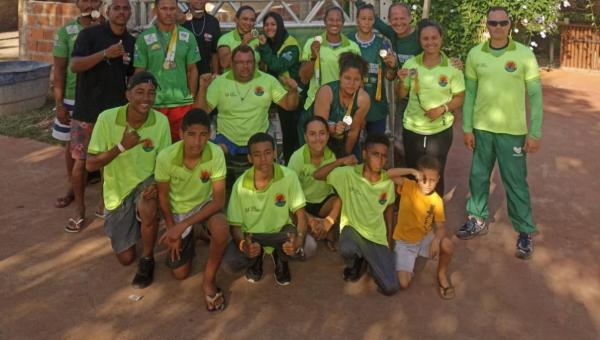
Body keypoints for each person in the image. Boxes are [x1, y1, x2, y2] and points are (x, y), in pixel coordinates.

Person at [456, 7, 544, 260]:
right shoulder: (475, 54)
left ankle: (525, 231)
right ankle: (477, 219)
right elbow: (470, 93)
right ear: (487, 25)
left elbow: (536, 96)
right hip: (482, 130)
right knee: (478, 177)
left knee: (515, 182)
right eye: (492, 23)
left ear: (510, 25)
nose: (497, 27)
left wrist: (535, 132)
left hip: (513, 132)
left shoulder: (524, 54)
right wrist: (467, 127)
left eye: (502, 23)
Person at [86, 72, 172, 288]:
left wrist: (155, 185)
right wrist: (122, 146)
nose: (146, 98)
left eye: (151, 93)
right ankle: (133, 224)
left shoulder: (161, 122)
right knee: (125, 258)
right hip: (118, 190)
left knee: (148, 206)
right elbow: (90, 164)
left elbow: (165, 164)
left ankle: (148, 258)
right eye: (140, 92)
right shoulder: (107, 118)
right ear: (127, 94)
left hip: (146, 182)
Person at [65, 0, 136, 233]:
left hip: (113, 114)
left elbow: (131, 76)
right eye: (116, 8)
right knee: (81, 162)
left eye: (126, 8)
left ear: (130, 13)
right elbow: (75, 65)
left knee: (108, 160)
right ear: (108, 11)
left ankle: (104, 203)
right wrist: (105, 53)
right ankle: (79, 210)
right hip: (87, 110)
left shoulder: (131, 42)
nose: (121, 12)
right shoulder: (90, 35)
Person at [194, 45, 299, 189]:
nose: (245, 66)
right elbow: (200, 112)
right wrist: (202, 88)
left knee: (266, 159)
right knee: (207, 154)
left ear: (255, 63)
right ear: (232, 63)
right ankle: (210, 199)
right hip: (227, 140)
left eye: (249, 62)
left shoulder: (267, 80)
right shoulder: (220, 82)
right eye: (240, 62)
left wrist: (293, 91)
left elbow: (289, 105)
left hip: (257, 140)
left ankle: (268, 194)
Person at [155, 109, 229, 312]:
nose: (198, 142)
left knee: (222, 229)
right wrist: (172, 228)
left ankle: (208, 281)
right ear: (181, 134)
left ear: (210, 134)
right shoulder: (165, 157)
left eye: (203, 134)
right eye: (192, 134)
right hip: (178, 210)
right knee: (180, 273)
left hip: (204, 207)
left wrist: (184, 226)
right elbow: (163, 196)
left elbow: (218, 200)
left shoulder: (215, 154)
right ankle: (195, 233)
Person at [222, 133, 317, 285]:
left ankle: (281, 256)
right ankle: (255, 256)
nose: (263, 159)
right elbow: (235, 227)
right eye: (257, 155)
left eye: (267, 153)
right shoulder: (239, 185)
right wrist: (244, 245)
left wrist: (298, 240)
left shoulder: (289, 176)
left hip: (282, 233)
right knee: (229, 263)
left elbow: (300, 215)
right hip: (252, 235)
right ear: (249, 158)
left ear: (274, 153)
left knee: (309, 247)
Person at [314, 134, 399, 296]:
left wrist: (389, 239)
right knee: (347, 248)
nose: (380, 160)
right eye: (375, 154)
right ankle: (357, 261)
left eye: (383, 155)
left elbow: (389, 210)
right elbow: (318, 175)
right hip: (353, 230)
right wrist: (340, 161)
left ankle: (368, 259)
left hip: (376, 236)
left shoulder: (387, 182)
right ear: (365, 154)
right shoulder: (348, 174)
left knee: (390, 288)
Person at [396, 20, 465, 196]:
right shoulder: (411, 65)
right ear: (420, 41)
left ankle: (434, 214)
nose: (430, 42)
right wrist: (402, 81)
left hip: (440, 130)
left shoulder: (452, 67)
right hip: (413, 128)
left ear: (441, 39)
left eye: (434, 38)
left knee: (436, 172)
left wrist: (441, 109)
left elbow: (460, 98)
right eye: (425, 38)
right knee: (413, 171)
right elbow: (401, 95)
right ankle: (413, 211)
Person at [52, 0, 103, 209]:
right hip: (74, 97)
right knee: (73, 146)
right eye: (85, 0)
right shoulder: (66, 32)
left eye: (94, 0)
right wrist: (60, 103)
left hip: (101, 96)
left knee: (104, 145)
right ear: (77, 3)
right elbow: (60, 69)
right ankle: (72, 188)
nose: (90, 4)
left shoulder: (108, 28)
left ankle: (104, 195)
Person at [387, 156, 455, 299]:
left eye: (433, 180)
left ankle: (441, 274)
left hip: (424, 238)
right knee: (403, 284)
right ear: (418, 177)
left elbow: (441, 227)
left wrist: (436, 240)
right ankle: (402, 260)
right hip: (404, 242)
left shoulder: (436, 200)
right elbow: (387, 174)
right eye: (424, 179)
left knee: (447, 245)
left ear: (438, 179)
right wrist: (411, 171)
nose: (428, 184)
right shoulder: (408, 186)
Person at [134, 0, 200, 141]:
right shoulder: (144, 38)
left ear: (177, 10)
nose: (169, 13)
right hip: (154, 103)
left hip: (181, 105)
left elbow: (192, 70)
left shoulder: (188, 36)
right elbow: (139, 72)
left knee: (179, 149)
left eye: (172, 9)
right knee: (152, 147)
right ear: (155, 10)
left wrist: (191, 98)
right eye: (164, 9)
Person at [288, 116, 341, 251]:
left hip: (324, 202)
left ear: (328, 136)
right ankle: (315, 228)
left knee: (339, 202)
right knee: (289, 211)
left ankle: (326, 229)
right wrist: (308, 217)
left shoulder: (333, 156)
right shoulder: (297, 157)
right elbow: (289, 191)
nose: (318, 138)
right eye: (312, 134)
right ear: (305, 137)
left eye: (322, 133)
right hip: (302, 203)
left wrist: (329, 220)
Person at [257, 11, 302, 163]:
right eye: (266, 25)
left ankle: (291, 168)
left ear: (280, 25)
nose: (269, 28)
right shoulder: (268, 43)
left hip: (289, 95)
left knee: (289, 136)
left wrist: (263, 48)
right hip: (268, 94)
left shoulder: (291, 45)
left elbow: (278, 65)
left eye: (273, 24)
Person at [308, 52, 370, 158]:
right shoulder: (326, 92)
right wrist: (333, 130)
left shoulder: (363, 99)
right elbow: (319, 129)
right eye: (347, 78)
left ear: (361, 81)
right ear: (340, 76)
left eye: (356, 79)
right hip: (314, 133)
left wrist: (343, 157)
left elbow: (353, 132)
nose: (351, 83)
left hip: (341, 138)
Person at [299, 6, 361, 111]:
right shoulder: (312, 43)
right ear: (325, 21)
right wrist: (313, 57)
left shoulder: (352, 47)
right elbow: (304, 78)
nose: (334, 23)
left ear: (343, 22)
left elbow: (359, 81)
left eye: (338, 20)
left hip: (343, 106)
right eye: (331, 20)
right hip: (315, 104)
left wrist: (359, 109)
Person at [349, 3, 395, 137]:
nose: (366, 22)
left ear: (374, 21)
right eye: (363, 18)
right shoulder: (348, 40)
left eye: (370, 19)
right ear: (357, 20)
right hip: (352, 107)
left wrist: (392, 67)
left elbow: (390, 76)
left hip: (377, 107)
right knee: (352, 148)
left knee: (375, 147)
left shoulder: (382, 43)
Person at [182, 0, 221, 75]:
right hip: (184, 75)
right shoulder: (181, 20)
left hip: (206, 75)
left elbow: (215, 52)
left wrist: (215, 73)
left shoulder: (213, 22)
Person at [217, 5, 260, 70]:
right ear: (236, 19)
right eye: (245, 19)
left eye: (252, 20)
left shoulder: (257, 38)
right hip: (231, 79)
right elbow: (224, 63)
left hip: (255, 79)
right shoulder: (225, 38)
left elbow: (262, 65)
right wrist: (243, 44)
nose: (248, 23)